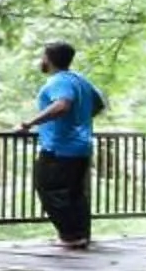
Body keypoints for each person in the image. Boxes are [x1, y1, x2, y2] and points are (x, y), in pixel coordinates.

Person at [10, 41, 105, 248]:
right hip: (81, 146)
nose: (41, 60)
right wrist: (81, 122)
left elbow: (61, 105)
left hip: (59, 147)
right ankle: (79, 236)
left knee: (49, 189)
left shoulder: (58, 81)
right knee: (74, 193)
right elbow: (99, 104)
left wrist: (29, 124)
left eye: (43, 56)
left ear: (49, 59)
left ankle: (71, 236)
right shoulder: (80, 80)